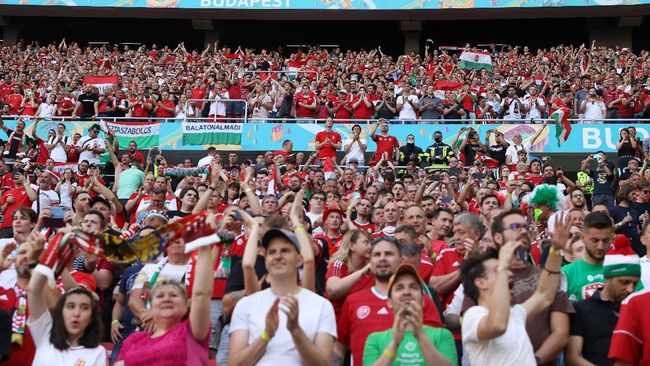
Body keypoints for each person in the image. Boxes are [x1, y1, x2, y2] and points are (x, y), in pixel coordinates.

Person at [115, 213, 225, 365]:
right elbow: (134, 299)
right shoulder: (134, 340)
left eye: (173, 295)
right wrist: (151, 316)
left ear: (185, 303)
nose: (166, 298)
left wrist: (205, 239)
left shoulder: (190, 333)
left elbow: (201, 294)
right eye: (160, 296)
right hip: (142, 328)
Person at [460, 215, 570, 366]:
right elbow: (497, 324)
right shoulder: (474, 316)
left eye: (525, 227)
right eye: (496, 270)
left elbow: (544, 295)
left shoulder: (515, 314)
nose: (510, 274)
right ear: (481, 283)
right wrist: (503, 265)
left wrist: (555, 250)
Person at [228, 225, 336, 366]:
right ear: (266, 262)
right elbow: (234, 364)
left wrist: (295, 330)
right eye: (272, 252)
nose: (278, 256)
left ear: (299, 260)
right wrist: (266, 334)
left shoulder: (322, 305)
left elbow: (325, 364)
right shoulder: (245, 304)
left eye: (285, 251)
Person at [335, 237, 443, 366]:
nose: (382, 258)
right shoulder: (352, 301)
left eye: (389, 254)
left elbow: (437, 346)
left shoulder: (422, 300)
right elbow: (339, 349)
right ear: (370, 261)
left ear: (401, 260)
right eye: (376, 254)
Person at [28, 234, 106, 365]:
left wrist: (57, 260)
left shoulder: (97, 352)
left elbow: (75, 295)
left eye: (84, 308)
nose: (76, 313)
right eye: (56, 249)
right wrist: (41, 259)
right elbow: (34, 290)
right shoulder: (45, 334)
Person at [362, 264, 457, 366]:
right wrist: (394, 343)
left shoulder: (442, 335)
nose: (407, 292)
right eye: (399, 288)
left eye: (413, 287)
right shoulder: (375, 339)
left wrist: (420, 336)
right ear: (389, 302)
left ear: (423, 300)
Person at [567, 238, 641, 366]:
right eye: (624, 282)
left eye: (635, 284)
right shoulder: (582, 310)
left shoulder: (639, 310)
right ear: (607, 277)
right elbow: (573, 357)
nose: (630, 289)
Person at [561, 212, 614, 302]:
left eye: (605, 240)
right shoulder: (567, 273)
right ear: (583, 238)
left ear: (612, 239)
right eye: (595, 240)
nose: (600, 246)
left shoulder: (621, 268)